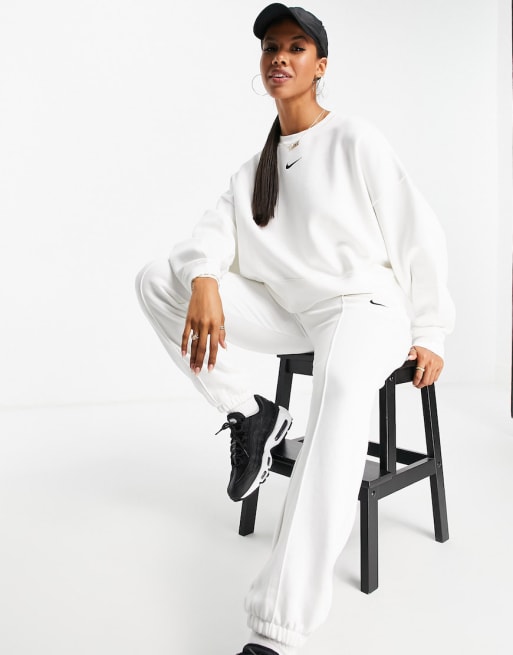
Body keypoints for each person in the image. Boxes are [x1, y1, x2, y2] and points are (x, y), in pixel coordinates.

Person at [135, 4, 455, 654]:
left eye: (295, 47)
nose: (279, 56)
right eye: (270, 47)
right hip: (294, 312)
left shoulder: (354, 139)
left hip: (364, 306)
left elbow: (416, 232)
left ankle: (276, 629)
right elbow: (206, 236)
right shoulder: (253, 168)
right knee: (156, 278)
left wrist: (431, 329)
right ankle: (252, 414)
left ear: (319, 65)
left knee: (339, 393)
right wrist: (203, 277)